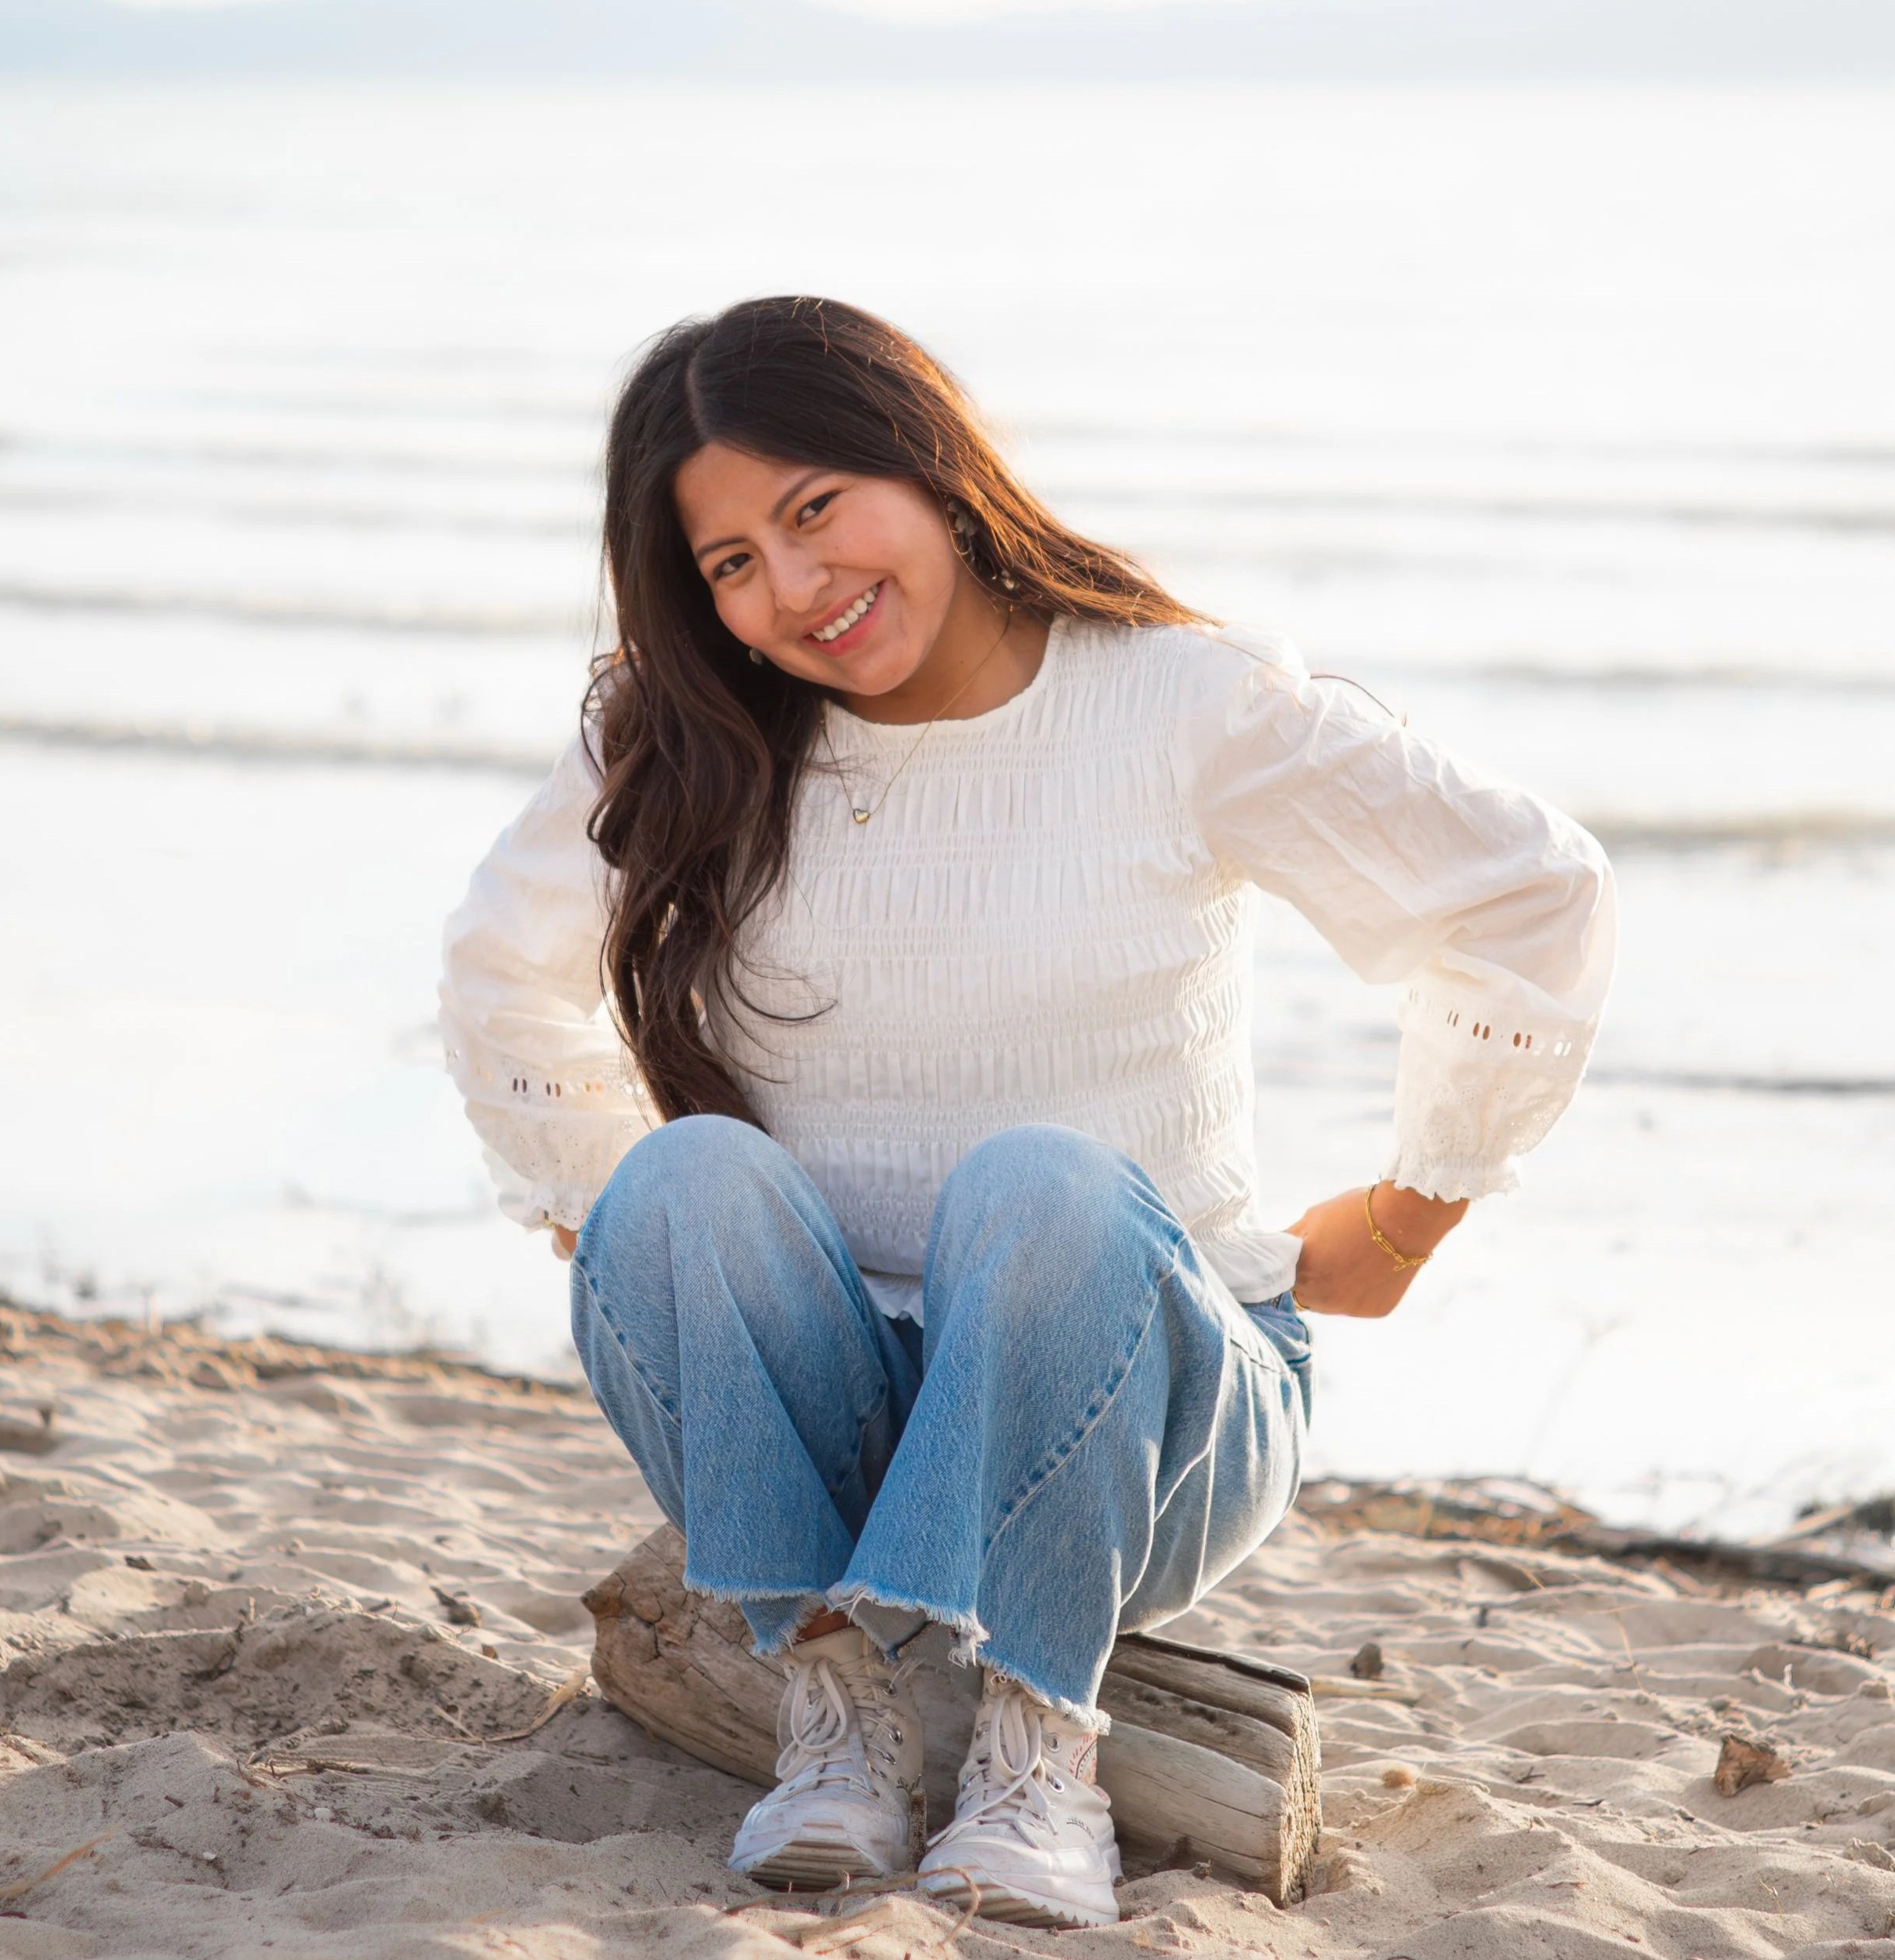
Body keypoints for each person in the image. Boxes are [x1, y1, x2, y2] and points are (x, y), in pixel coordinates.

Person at [437, 296, 1617, 1929]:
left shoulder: (1179, 701)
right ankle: (833, 1701)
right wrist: (621, 1232)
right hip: (841, 1416)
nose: (793, 590)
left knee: (1047, 1186)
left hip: (1146, 1406)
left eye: (812, 511)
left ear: (923, 460)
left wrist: (1415, 1206)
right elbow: (500, 979)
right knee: (686, 1175)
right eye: (728, 565)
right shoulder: (687, 737)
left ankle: (1033, 1740)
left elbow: (1528, 889)